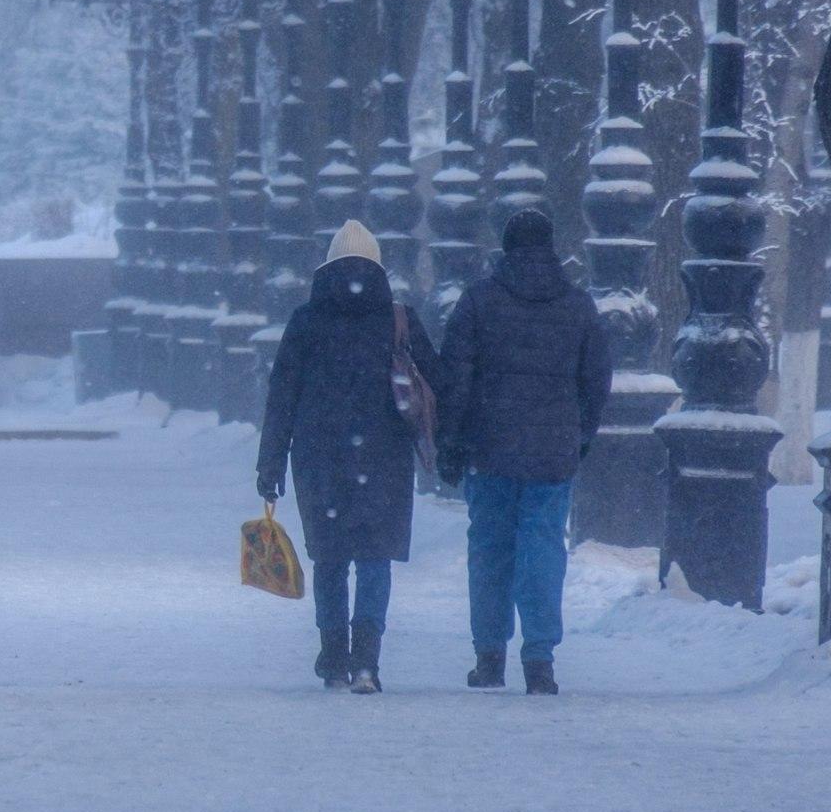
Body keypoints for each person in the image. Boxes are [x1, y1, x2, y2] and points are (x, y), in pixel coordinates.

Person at [256, 220, 442, 695]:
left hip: (319, 457)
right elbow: (437, 379)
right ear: (378, 267)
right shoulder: (399, 317)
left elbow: (283, 396)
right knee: (375, 558)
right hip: (384, 457)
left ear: (327, 266)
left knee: (331, 558)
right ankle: (367, 662)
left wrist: (270, 465)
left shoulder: (306, 320)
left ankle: (334, 656)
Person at [437, 207, 611, 697]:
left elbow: (456, 377)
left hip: (489, 447)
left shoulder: (479, 302)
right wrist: (581, 433)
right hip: (552, 451)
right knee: (542, 548)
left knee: (489, 548)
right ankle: (540, 661)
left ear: (506, 247)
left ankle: (489, 657)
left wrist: (450, 438)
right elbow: (597, 379)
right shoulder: (578, 306)